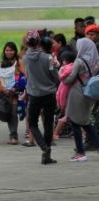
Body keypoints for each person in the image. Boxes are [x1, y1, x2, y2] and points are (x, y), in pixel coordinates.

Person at [23, 34, 59, 164]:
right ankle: (47, 152)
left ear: (27, 44)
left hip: (34, 95)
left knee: (32, 123)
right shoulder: (48, 58)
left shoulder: (26, 58)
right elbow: (55, 76)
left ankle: (43, 147)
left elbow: (28, 75)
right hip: (49, 94)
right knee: (48, 123)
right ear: (39, 43)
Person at [63, 38, 99, 162]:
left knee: (75, 122)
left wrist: (61, 78)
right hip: (88, 93)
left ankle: (80, 152)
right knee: (84, 122)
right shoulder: (94, 61)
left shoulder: (79, 61)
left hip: (77, 93)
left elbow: (71, 78)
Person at [0, 42, 26, 145]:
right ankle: (13, 136)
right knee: (7, 113)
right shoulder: (1, 63)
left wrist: (15, 88)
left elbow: (24, 76)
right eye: (7, 50)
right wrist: (2, 89)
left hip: (16, 92)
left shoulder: (19, 62)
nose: (9, 52)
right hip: (4, 93)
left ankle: (14, 136)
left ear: (15, 51)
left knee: (13, 113)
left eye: (11, 50)